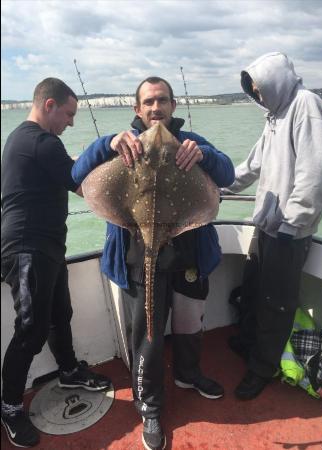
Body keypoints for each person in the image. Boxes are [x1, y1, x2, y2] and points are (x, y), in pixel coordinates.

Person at [72, 76, 235, 450]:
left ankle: (188, 374)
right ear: (137, 109)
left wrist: (204, 155)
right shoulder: (120, 146)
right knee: (147, 333)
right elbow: (77, 174)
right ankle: (149, 405)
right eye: (148, 102)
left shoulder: (191, 143)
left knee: (190, 323)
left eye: (162, 101)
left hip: (188, 254)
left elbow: (226, 174)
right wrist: (106, 144)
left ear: (173, 106)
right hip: (137, 258)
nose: (155, 108)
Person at [1, 78, 112, 448]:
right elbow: (81, 185)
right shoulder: (40, 141)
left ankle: (67, 371)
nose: (71, 121)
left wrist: (83, 161)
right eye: (69, 113)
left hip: (46, 247)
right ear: (49, 105)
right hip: (26, 248)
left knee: (59, 312)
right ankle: (10, 405)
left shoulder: (28, 139)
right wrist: (108, 147)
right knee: (31, 329)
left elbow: (65, 169)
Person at [223, 52, 322, 400]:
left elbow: (314, 175)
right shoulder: (274, 116)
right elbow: (251, 166)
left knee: (276, 303)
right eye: (252, 90)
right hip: (268, 226)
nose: (257, 94)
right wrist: (216, 187)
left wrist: (292, 225)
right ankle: (250, 344)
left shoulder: (306, 105)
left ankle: (262, 368)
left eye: (259, 87)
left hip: (289, 232)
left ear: (275, 79)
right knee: (254, 289)